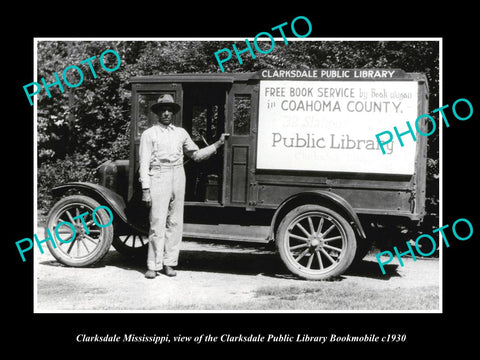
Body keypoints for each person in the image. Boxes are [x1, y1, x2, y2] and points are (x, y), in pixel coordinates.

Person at [139, 94, 229, 279]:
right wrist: (146, 189)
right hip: (158, 175)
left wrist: (217, 145)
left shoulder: (181, 133)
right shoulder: (150, 134)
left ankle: (169, 263)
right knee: (157, 222)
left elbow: (195, 155)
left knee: (175, 222)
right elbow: (144, 162)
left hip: (179, 175)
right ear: (157, 113)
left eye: (169, 110)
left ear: (173, 113)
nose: (166, 113)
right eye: (163, 110)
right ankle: (153, 265)